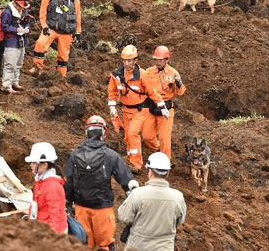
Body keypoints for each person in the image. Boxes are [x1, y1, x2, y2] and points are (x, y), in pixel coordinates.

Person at [64, 115, 139, 251]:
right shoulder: (110, 155)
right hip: (103, 209)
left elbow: (68, 182)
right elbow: (127, 181)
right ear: (104, 133)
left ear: (87, 132)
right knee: (105, 245)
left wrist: (68, 203)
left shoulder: (75, 155)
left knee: (83, 245)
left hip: (81, 209)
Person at [107, 45, 167, 173]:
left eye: (129, 61)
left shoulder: (142, 75)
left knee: (132, 133)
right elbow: (112, 91)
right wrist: (112, 106)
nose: (127, 63)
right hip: (125, 109)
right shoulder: (116, 75)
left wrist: (162, 106)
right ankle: (131, 158)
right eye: (124, 60)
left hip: (140, 110)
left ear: (135, 61)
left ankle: (136, 163)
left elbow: (152, 92)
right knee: (127, 136)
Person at [118, 152, 186, 251]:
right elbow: (180, 221)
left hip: (137, 246)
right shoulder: (178, 197)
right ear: (167, 173)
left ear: (149, 172)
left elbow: (124, 216)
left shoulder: (137, 194)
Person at [28, 0, 81, 77]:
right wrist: (44, 26)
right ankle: (36, 67)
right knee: (40, 43)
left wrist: (78, 31)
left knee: (63, 56)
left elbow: (78, 14)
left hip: (66, 31)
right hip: (51, 28)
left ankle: (61, 76)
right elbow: (42, 12)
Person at [143, 46, 186, 160]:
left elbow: (180, 92)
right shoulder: (148, 72)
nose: (157, 62)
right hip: (151, 107)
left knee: (164, 139)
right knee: (147, 136)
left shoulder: (173, 73)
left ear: (166, 59)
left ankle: (166, 161)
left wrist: (179, 84)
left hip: (166, 109)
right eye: (155, 59)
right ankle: (157, 150)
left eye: (160, 60)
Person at [25, 142, 68, 234]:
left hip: (52, 232)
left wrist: (51, 237)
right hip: (41, 228)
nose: (31, 165)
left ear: (45, 165)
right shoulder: (40, 181)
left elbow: (55, 215)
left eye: (33, 162)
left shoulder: (52, 186)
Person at [0, 0, 31, 94]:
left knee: (18, 63)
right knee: (10, 64)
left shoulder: (24, 10)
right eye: (20, 6)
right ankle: (6, 86)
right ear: (15, 2)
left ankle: (15, 82)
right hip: (11, 42)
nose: (21, 8)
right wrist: (15, 30)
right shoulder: (7, 12)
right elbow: (4, 26)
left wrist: (26, 28)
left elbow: (27, 21)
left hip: (22, 41)